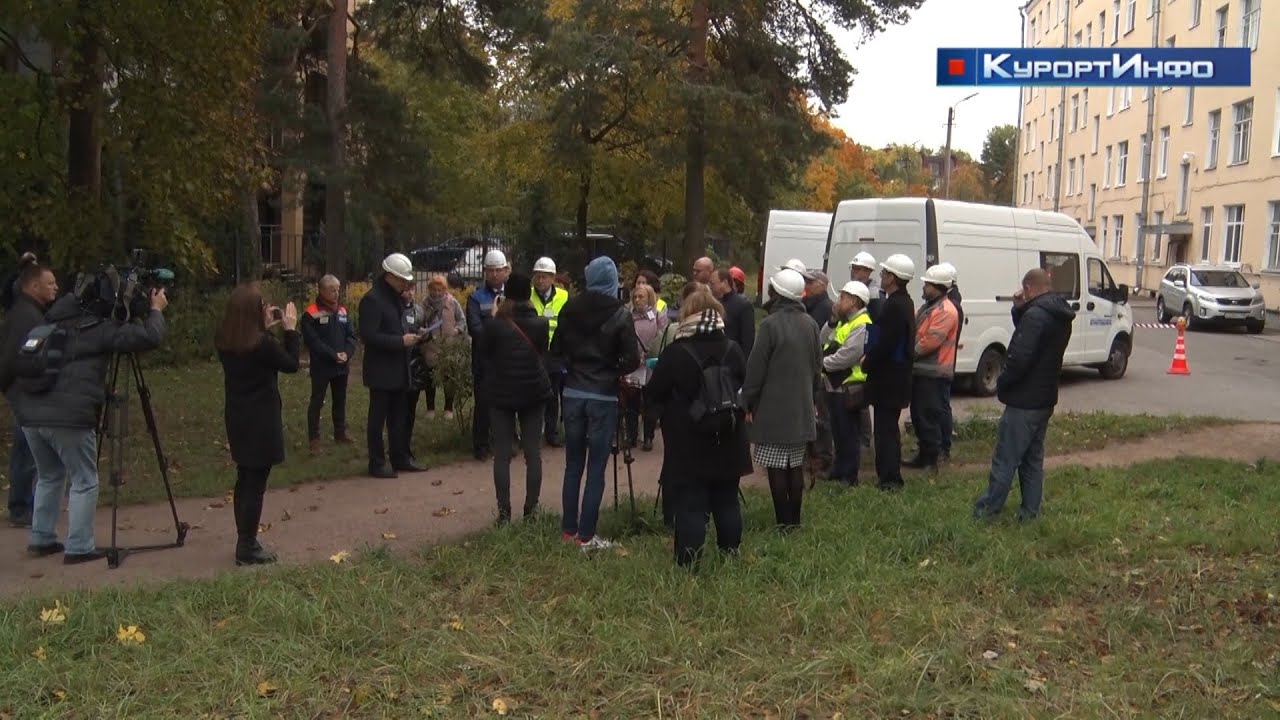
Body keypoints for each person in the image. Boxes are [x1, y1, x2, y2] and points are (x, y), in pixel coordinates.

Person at [11, 283, 167, 563]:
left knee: (49, 475)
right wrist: (156, 310)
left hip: (31, 415)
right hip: (68, 416)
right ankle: (79, 547)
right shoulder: (96, 329)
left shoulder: (53, 321)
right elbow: (149, 337)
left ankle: (42, 538)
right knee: (84, 479)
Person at [645, 290, 751, 567]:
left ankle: (688, 562)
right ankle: (730, 556)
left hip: (688, 439)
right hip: (729, 435)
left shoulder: (676, 352)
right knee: (727, 501)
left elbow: (654, 392)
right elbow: (743, 383)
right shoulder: (733, 348)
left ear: (687, 316)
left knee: (691, 504)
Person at [551, 256, 641, 550]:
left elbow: (556, 350)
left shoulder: (570, 307)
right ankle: (586, 535)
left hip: (573, 392)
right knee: (597, 467)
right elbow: (631, 359)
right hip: (603, 395)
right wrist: (612, 372)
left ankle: (567, 530)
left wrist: (574, 368)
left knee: (573, 463)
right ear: (613, 281)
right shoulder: (619, 313)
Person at [973, 268, 1075, 521]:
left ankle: (987, 510)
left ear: (1028, 288)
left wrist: (1004, 383)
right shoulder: (1057, 313)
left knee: (1005, 458)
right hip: (1044, 397)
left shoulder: (1036, 316)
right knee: (1032, 459)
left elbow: (1019, 356)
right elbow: (1035, 341)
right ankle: (1030, 512)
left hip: (1024, 399)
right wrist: (1020, 309)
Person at [215, 285, 301, 565]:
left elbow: (254, 346)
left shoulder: (227, 340)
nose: (268, 309)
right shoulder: (262, 345)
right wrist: (290, 330)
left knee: (245, 477)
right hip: (262, 417)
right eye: (263, 306)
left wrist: (264, 327)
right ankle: (247, 545)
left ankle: (245, 538)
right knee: (256, 483)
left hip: (239, 415)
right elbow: (290, 364)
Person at [742, 268, 821, 530]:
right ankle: (795, 522)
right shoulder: (810, 324)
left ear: (777, 294)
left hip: (773, 410)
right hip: (800, 407)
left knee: (776, 467)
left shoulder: (769, 325)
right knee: (794, 465)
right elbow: (817, 367)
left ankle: (782, 522)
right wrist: (813, 400)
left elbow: (755, 369)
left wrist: (748, 401)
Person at [480, 273, 552, 524]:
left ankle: (503, 513)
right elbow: (541, 353)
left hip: (501, 393)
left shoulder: (494, 325)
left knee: (501, 453)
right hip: (533, 392)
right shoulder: (541, 324)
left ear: (505, 295)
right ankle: (531, 512)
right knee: (533, 453)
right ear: (528, 295)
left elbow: (484, 355)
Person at [0, 257, 58, 528]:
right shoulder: (27, 315)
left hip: (23, 388)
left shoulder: (28, 309)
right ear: (34, 286)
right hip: (22, 390)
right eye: (50, 283)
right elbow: (13, 358)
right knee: (25, 448)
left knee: (29, 447)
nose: (55, 287)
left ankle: (25, 503)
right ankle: (20, 506)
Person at [359, 253, 426, 478]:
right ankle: (376, 463)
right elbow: (369, 336)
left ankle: (400, 458)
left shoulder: (396, 297)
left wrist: (414, 335)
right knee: (377, 420)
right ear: (389, 276)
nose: (405, 284)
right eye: (401, 279)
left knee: (399, 417)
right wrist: (399, 341)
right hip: (380, 370)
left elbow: (399, 325)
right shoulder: (373, 300)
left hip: (399, 368)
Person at [863, 254, 916, 492]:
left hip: (889, 380)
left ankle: (889, 480)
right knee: (888, 429)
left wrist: (868, 361)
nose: (881, 276)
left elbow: (886, 343)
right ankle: (889, 476)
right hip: (896, 378)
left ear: (893, 278)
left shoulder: (894, 305)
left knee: (885, 431)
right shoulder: (905, 301)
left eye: (884, 273)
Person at [906, 265, 960, 472]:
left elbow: (930, 341)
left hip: (934, 372)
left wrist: (908, 354)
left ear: (938, 287)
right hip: (923, 371)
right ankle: (924, 455)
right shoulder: (929, 307)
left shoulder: (945, 311)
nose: (924, 287)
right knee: (919, 415)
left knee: (928, 416)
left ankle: (932, 459)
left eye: (928, 284)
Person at [821, 281, 872, 486]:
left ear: (854, 301)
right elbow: (822, 339)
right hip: (835, 385)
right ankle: (839, 469)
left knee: (849, 433)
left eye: (842, 298)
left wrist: (822, 365)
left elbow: (848, 355)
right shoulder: (844, 320)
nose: (837, 301)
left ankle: (849, 476)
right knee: (838, 432)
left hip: (849, 387)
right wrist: (832, 320)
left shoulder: (862, 324)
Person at [300, 274, 356, 453]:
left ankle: (340, 432)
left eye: (338, 289)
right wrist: (333, 355)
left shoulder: (342, 311)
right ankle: (314, 438)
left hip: (341, 365)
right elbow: (313, 341)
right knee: (317, 401)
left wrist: (347, 353)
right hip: (322, 366)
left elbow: (351, 336)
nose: (336, 293)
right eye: (332, 290)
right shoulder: (311, 313)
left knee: (340, 400)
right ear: (321, 290)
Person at [466, 250, 510, 460]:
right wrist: (495, 323)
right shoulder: (476, 298)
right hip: (484, 361)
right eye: (490, 270)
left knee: (506, 404)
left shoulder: (512, 296)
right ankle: (481, 446)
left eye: (498, 270)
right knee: (483, 405)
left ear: (505, 271)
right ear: (485, 272)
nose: (494, 274)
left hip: (508, 360)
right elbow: (476, 330)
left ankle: (505, 443)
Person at [623, 283, 668, 451]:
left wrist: (650, 354)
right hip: (633, 366)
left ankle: (648, 437)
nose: (637, 300)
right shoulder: (627, 316)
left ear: (649, 297)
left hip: (651, 366)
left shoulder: (657, 316)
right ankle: (631, 437)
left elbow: (662, 337)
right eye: (635, 297)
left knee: (650, 403)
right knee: (631, 404)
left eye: (641, 296)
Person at [531, 257, 569, 446]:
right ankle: (533, 433)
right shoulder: (528, 296)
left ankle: (552, 433)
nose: (540, 280)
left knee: (553, 395)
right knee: (534, 396)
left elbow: (569, 322)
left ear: (553, 278)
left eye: (544, 277)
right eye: (538, 276)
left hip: (555, 353)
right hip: (534, 353)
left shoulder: (564, 296)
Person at [800, 268, 834, 478]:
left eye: (810, 282)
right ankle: (810, 452)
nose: (807, 285)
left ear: (822, 284)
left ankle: (823, 456)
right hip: (806, 366)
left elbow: (827, 340)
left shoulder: (826, 308)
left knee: (822, 415)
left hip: (819, 368)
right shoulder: (807, 306)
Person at [421, 275, 467, 420]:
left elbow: (462, 321)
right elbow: (419, 321)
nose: (437, 293)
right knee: (430, 380)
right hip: (430, 347)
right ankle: (430, 409)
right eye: (434, 290)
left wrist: (457, 330)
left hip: (449, 347)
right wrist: (422, 330)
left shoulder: (453, 303)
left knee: (449, 380)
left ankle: (448, 409)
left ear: (445, 290)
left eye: (440, 290)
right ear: (429, 290)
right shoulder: (424, 304)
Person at [936, 262, 963, 462]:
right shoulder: (952, 301)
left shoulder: (951, 306)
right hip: (943, 362)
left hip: (942, 363)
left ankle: (944, 445)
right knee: (940, 404)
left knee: (941, 404)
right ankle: (941, 443)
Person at [402, 285, 428, 458]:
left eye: (412, 289)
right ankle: (398, 446)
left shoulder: (419, 310)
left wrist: (425, 334)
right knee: (398, 410)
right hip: (398, 362)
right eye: (406, 289)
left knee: (411, 409)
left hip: (415, 365)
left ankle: (406, 446)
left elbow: (424, 329)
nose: (409, 292)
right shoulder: (395, 309)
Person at [711, 268, 755, 356]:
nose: (710, 286)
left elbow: (748, 339)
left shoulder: (743, 305)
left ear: (725, 283)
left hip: (735, 359)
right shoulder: (713, 304)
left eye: (712, 283)